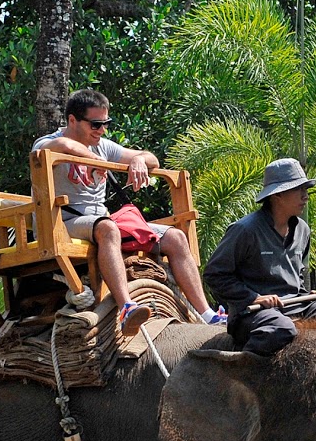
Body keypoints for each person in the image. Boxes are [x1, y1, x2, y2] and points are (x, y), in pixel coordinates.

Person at [33, 89, 224, 335]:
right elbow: (63, 145)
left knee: (176, 237)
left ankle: (207, 314)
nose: (101, 130)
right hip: (62, 221)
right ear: (72, 120)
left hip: (98, 220)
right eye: (95, 124)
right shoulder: (46, 142)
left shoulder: (102, 145)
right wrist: (94, 161)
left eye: (106, 124)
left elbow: (152, 158)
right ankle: (126, 308)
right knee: (107, 227)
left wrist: (138, 160)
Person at [203, 158, 316, 356]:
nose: (305, 197)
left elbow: (296, 275)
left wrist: (308, 295)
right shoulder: (245, 230)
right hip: (253, 314)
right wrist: (254, 297)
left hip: (296, 306)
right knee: (281, 329)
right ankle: (243, 370)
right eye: (299, 190)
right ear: (278, 195)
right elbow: (214, 275)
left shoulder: (303, 230)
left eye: (306, 190)